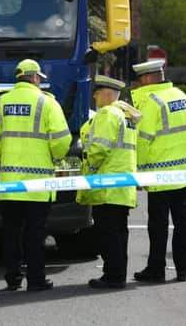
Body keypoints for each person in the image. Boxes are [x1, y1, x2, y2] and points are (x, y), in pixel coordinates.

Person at [0, 59, 71, 292]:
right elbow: (62, 140)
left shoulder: (0, 103)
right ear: (34, 78)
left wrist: (9, 158)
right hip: (38, 184)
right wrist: (54, 156)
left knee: (12, 232)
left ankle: (12, 278)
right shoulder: (47, 103)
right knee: (35, 233)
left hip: (9, 183)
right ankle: (36, 280)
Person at [130, 60, 186, 283]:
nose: (139, 84)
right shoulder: (181, 96)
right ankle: (183, 270)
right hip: (184, 172)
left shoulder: (152, 103)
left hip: (159, 174)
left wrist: (139, 173)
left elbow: (143, 141)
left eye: (140, 80)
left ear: (148, 78)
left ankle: (156, 269)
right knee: (182, 224)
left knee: (158, 227)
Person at [76, 75, 140, 289]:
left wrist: (89, 173)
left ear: (107, 94)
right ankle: (118, 273)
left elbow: (99, 149)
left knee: (107, 233)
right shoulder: (127, 115)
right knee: (120, 232)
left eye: (96, 93)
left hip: (106, 185)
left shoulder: (107, 113)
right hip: (123, 184)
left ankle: (112, 275)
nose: (94, 97)